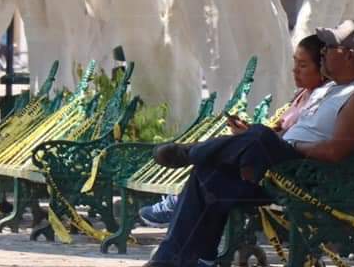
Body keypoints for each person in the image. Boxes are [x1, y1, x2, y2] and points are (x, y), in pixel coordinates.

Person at [123, 19, 354, 267]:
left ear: (349, 55)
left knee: (260, 136)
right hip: (281, 169)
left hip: (307, 178)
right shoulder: (333, 90)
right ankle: (173, 262)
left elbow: (335, 152)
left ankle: (190, 153)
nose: (324, 52)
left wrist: (284, 146)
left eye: (330, 47)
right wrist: (261, 141)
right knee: (211, 172)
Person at [137, 34, 332, 227]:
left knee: (242, 147)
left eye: (303, 65)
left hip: (284, 172)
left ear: (323, 68)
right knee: (219, 161)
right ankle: (184, 209)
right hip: (263, 158)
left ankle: (189, 155)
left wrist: (257, 135)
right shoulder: (302, 95)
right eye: (295, 63)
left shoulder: (322, 100)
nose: (295, 70)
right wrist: (246, 132)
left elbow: (289, 141)